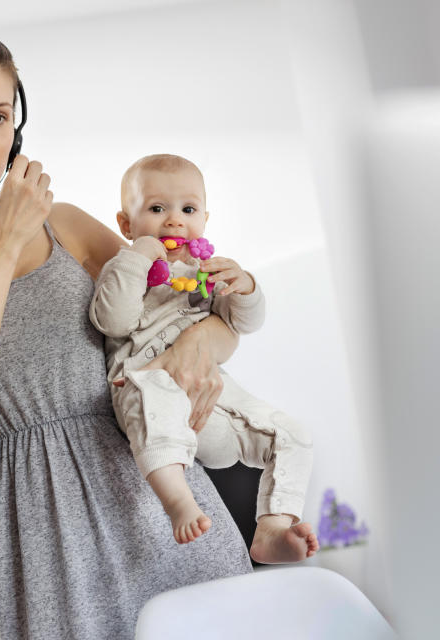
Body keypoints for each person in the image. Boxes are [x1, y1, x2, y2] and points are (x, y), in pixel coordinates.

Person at [0, 29, 252, 640]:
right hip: (34, 549)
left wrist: (198, 352)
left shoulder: (65, 226)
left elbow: (197, 316)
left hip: (158, 508)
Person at [89, 154, 320, 564]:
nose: (174, 221)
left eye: (188, 209)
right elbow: (113, 320)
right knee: (154, 391)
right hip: (149, 393)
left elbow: (242, 323)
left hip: (211, 399)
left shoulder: (205, 271)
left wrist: (245, 285)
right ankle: (178, 501)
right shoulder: (124, 269)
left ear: (204, 220)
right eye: (156, 209)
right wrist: (138, 256)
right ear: (126, 224)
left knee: (291, 432)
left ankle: (272, 527)